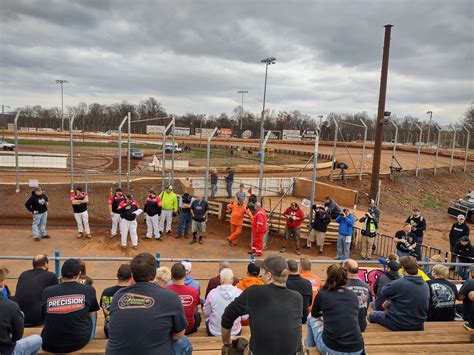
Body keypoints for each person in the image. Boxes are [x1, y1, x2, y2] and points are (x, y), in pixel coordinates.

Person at [106, 253, 191, 355]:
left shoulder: (118, 296)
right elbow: (179, 334)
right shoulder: (171, 297)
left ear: (132, 274)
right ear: (154, 273)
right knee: (184, 341)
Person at [221, 255, 303, 355]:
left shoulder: (254, 292)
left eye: (263, 271)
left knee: (234, 347)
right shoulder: (297, 298)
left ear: (269, 275)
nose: (261, 275)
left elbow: (228, 315)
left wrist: (227, 342)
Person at [41, 258, 100, 353]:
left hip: (49, 343)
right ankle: (92, 336)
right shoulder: (89, 290)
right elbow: (91, 314)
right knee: (93, 311)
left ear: (61, 274)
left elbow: (44, 316)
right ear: (79, 274)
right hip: (78, 342)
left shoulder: (47, 291)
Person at [306, 264, 364, 355]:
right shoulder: (353, 295)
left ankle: (309, 349)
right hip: (358, 348)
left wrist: (325, 314)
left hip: (332, 348)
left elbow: (314, 315)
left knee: (310, 317)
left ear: (329, 277)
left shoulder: (322, 294)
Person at [368, 256, 429, 331]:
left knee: (371, 314)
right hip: (418, 324)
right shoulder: (425, 285)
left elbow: (383, 292)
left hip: (398, 323)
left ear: (403, 268)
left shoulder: (399, 283)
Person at [0, 266, 43, 355]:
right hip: (5, 351)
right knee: (38, 339)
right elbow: (18, 335)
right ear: (1, 284)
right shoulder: (10, 306)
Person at [14, 254, 58, 327]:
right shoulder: (51, 276)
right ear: (45, 264)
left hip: (20, 316)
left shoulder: (23, 274)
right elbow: (56, 296)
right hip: (38, 319)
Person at [203, 268, 246, 336]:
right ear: (232, 279)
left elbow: (206, 313)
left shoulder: (212, 293)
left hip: (215, 331)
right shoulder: (240, 293)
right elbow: (245, 317)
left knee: (207, 320)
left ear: (221, 280)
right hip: (235, 332)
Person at [166, 263, 201, 335]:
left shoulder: (164, 289)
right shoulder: (194, 291)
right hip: (189, 327)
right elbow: (196, 305)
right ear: (185, 275)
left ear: (171, 276)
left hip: (171, 327)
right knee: (197, 314)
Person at [100, 264, 132, 338]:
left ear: (117, 275)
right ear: (131, 277)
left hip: (110, 331)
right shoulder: (134, 293)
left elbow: (104, 308)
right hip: (129, 332)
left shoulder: (106, 292)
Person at [343, 259, 371, 332]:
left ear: (345, 270)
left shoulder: (341, 286)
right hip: (361, 326)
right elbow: (367, 307)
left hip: (345, 327)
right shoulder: (367, 287)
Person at [286, 260, 312, 324]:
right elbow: (309, 303)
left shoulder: (284, 283)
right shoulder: (307, 283)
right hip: (303, 317)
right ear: (298, 268)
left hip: (288, 317)